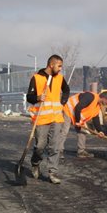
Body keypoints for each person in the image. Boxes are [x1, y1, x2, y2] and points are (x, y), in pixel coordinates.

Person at [26, 55, 70, 184]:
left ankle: (52, 172)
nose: (60, 69)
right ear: (51, 65)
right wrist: (38, 97)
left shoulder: (60, 78)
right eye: (59, 66)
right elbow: (30, 97)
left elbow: (66, 90)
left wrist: (63, 101)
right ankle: (35, 162)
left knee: (55, 147)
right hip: (41, 118)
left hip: (56, 118)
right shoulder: (36, 78)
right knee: (40, 146)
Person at [59, 91, 107, 158]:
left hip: (77, 115)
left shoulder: (97, 106)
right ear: (104, 98)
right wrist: (78, 121)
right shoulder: (90, 97)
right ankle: (58, 151)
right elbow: (78, 107)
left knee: (82, 132)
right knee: (64, 131)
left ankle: (81, 152)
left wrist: (100, 131)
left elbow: (95, 119)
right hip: (69, 110)